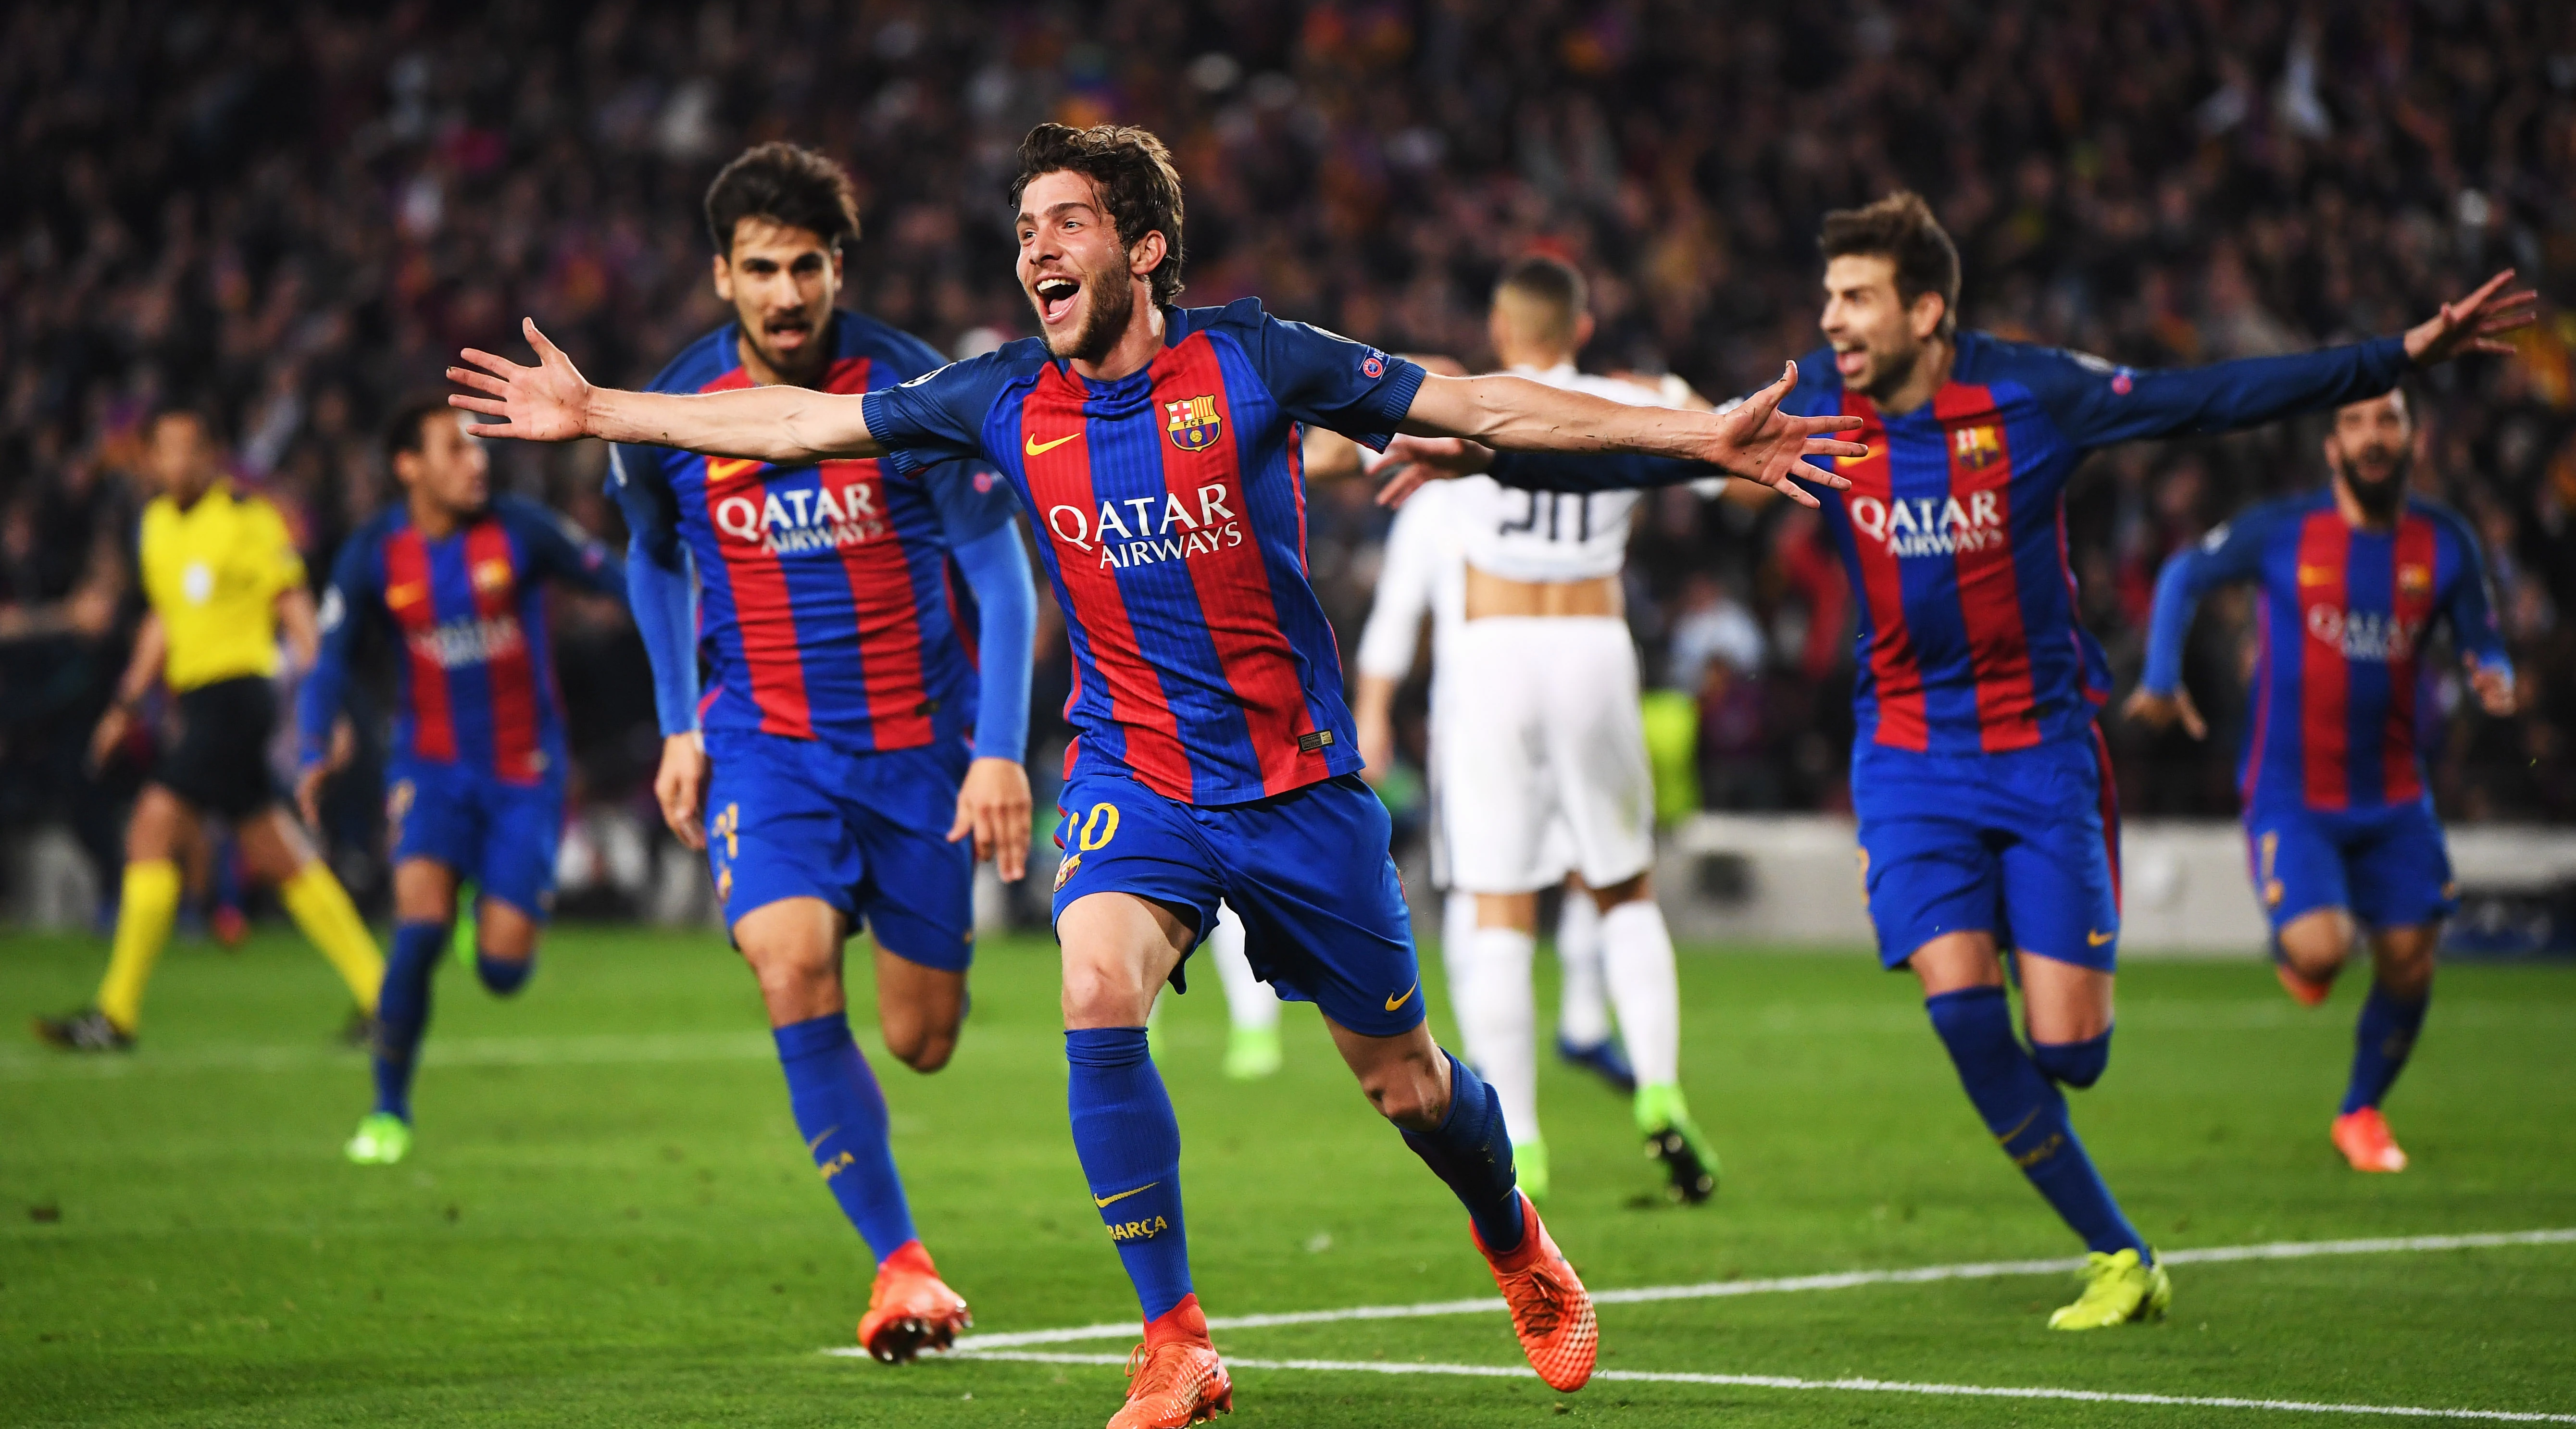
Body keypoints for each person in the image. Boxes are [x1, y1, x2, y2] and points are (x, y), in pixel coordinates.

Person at [446, 122, 1861, 1428]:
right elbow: (796, 425)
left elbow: (1486, 404)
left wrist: (1695, 435)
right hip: (1131, 769)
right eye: (1024, 227)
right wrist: (605, 413)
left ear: (1142, 248)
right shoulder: (1001, 392)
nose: (1036, 249)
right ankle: (1172, 1333)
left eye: (1067, 222)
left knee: (1404, 1080)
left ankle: (1511, 1234)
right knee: (1090, 982)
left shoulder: (1256, 360)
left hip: (1293, 783)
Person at [1380, 193, 2531, 1332]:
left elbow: (2210, 399)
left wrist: (2402, 351)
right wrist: (1485, 466)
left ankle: (2075, 1045)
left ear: (1927, 310)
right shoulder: (1821, 409)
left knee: (2073, 1052)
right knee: (1965, 1013)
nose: (1831, 320)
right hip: (1909, 760)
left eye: (1857, 298)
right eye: (1828, 296)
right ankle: (2121, 1253)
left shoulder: (2034, 396)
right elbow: (1647, 468)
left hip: (2043, 754)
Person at [602, 143, 1038, 1366]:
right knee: (789, 966)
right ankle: (902, 1265)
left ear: (839, 267)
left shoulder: (912, 395)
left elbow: (1001, 578)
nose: (785, 293)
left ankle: (861, 906)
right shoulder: (672, 412)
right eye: (760, 269)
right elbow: (650, 556)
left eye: (806, 266)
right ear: (721, 276)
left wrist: (997, 752)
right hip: (765, 747)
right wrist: (682, 720)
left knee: (922, 1039)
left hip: (916, 752)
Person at [2128, 388, 2514, 1174]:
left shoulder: (2445, 543)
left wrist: (2493, 671)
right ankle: (2300, 947)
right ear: (2330, 448)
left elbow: (2481, 634)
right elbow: (2181, 573)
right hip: (2290, 792)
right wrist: (2163, 674)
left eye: (2387, 420)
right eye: (2354, 423)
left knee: (2410, 956)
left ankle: (2360, 1111)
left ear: (2413, 436)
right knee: (2320, 951)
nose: (2373, 437)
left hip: (2396, 795)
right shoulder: (2283, 530)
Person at [1427, 256, 1714, 1205]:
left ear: (1505, 331)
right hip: (1593, 640)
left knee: (1500, 905)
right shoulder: (1627, 399)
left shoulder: (1465, 394)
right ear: (1581, 328)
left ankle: (1522, 1142)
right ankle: (1662, 1087)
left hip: (1495, 650)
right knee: (1624, 888)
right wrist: (1678, 399)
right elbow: (1742, 480)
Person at [295, 401, 627, 1165]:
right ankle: (387, 1110)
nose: (476, 461)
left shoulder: (521, 528)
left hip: (524, 772)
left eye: (478, 448)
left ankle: (494, 908)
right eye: (454, 448)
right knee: (417, 932)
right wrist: (315, 743)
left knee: (503, 971)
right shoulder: (375, 551)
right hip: (430, 767)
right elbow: (333, 658)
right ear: (407, 465)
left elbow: (617, 581)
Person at [36, 408, 384, 1052]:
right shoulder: (157, 525)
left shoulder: (249, 521)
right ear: (150, 460)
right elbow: (162, 623)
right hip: (197, 700)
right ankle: (383, 994)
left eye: (187, 450)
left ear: (213, 456)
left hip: (238, 693)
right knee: (277, 850)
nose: (175, 463)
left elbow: (295, 609)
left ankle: (115, 1013)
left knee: (151, 824)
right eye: (163, 451)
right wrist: (126, 704)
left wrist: (325, 700)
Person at [1349, 457, 1637, 1205]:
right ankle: (1544, 1034)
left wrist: (1373, 709)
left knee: (1492, 893)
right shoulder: (1506, 491)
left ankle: (1516, 1056)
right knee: (1584, 869)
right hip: (1523, 704)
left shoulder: (1445, 499)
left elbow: (1392, 620)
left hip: (1480, 720)